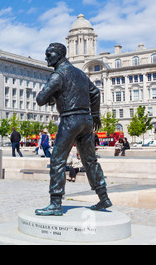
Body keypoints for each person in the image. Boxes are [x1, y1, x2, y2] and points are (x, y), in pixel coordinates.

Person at [35, 42, 112, 216]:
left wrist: (52, 95)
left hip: (70, 120)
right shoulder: (79, 73)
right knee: (90, 160)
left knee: (57, 160)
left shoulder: (57, 75)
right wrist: (96, 115)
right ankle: (103, 196)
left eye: (49, 54)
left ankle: (55, 203)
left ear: (60, 55)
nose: (46, 57)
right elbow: (95, 93)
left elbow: (40, 98)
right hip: (86, 120)